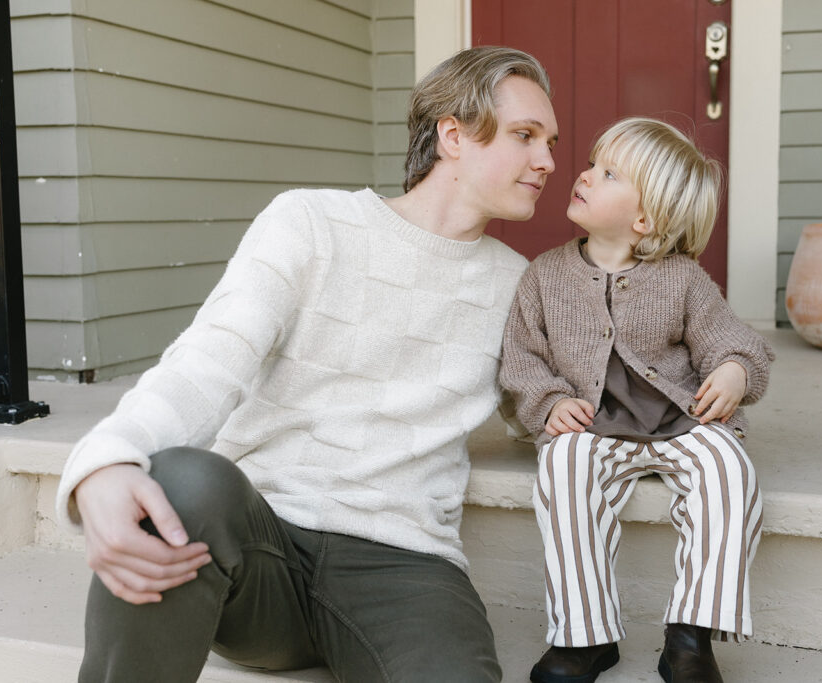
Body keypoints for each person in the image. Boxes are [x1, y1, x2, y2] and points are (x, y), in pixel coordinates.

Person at [55, 45, 559, 683]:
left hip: (404, 568)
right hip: (262, 546)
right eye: (525, 136)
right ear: (453, 136)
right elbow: (208, 360)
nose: (547, 161)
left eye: (550, 141)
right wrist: (107, 460)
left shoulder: (523, 287)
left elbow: (549, 409)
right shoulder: (312, 223)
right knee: (182, 481)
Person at [499, 117, 775, 683]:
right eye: (593, 164)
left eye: (608, 173)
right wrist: (548, 402)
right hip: (591, 425)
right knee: (563, 466)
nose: (583, 174)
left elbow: (733, 339)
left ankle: (691, 637)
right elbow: (521, 361)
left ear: (644, 219)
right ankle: (585, 637)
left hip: (682, 420)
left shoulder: (684, 280)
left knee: (728, 470)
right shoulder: (543, 277)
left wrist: (733, 372)